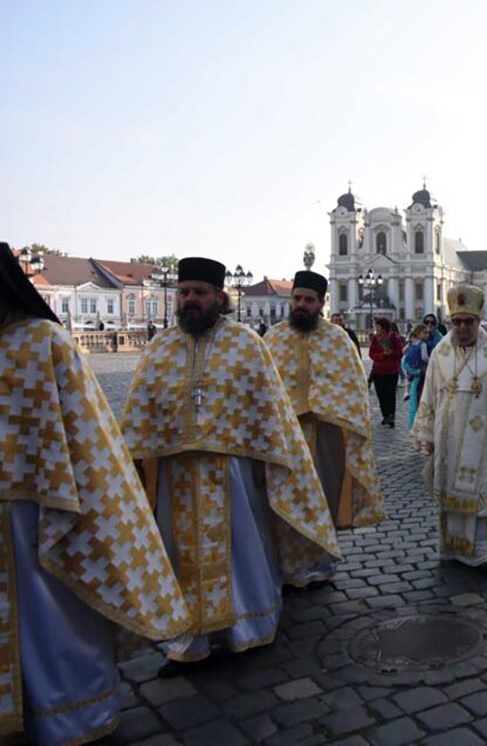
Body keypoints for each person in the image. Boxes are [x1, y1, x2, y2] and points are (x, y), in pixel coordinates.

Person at [0, 244, 188, 745]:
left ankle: (72, 713)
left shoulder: (44, 342)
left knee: (51, 615)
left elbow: (90, 436)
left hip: (41, 510)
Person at [121, 257, 340, 671]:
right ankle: (189, 640)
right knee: (180, 555)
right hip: (176, 474)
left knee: (243, 548)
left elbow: (269, 408)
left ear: (220, 298)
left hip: (233, 471)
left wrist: (269, 460)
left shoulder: (246, 344)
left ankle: (249, 626)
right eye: (184, 292)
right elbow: (139, 410)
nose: (190, 299)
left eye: (199, 293)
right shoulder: (160, 347)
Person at [414, 285, 487, 573]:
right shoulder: (440, 353)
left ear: (479, 321)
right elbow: (429, 394)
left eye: (468, 322)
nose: (462, 328)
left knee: (484, 493)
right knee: (450, 488)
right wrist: (427, 434)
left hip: (484, 439)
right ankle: (454, 548)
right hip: (448, 437)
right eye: (457, 322)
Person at [264, 271, 385, 531]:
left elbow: (354, 387)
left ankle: (325, 548)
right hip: (284, 434)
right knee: (286, 497)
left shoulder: (337, 338)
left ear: (321, 302)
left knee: (324, 496)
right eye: (297, 298)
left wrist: (323, 405)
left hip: (325, 432)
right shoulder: (274, 337)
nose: (301, 305)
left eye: (309, 300)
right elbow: (263, 384)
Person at [368, 317, 404, 427]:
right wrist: (382, 355)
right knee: (381, 394)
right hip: (378, 371)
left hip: (391, 371)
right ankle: (385, 415)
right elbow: (371, 353)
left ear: (383, 327)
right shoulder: (375, 338)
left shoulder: (393, 337)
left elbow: (400, 353)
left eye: (378, 326)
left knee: (390, 394)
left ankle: (391, 415)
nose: (376, 328)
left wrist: (391, 353)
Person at [403, 324, 431, 427]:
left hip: (411, 369)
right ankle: (415, 423)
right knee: (416, 395)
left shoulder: (413, 343)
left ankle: (412, 423)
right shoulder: (423, 344)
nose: (427, 335)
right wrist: (431, 362)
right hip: (418, 370)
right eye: (424, 332)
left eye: (427, 333)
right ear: (418, 333)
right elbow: (424, 357)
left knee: (412, 390)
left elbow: (404, 352)